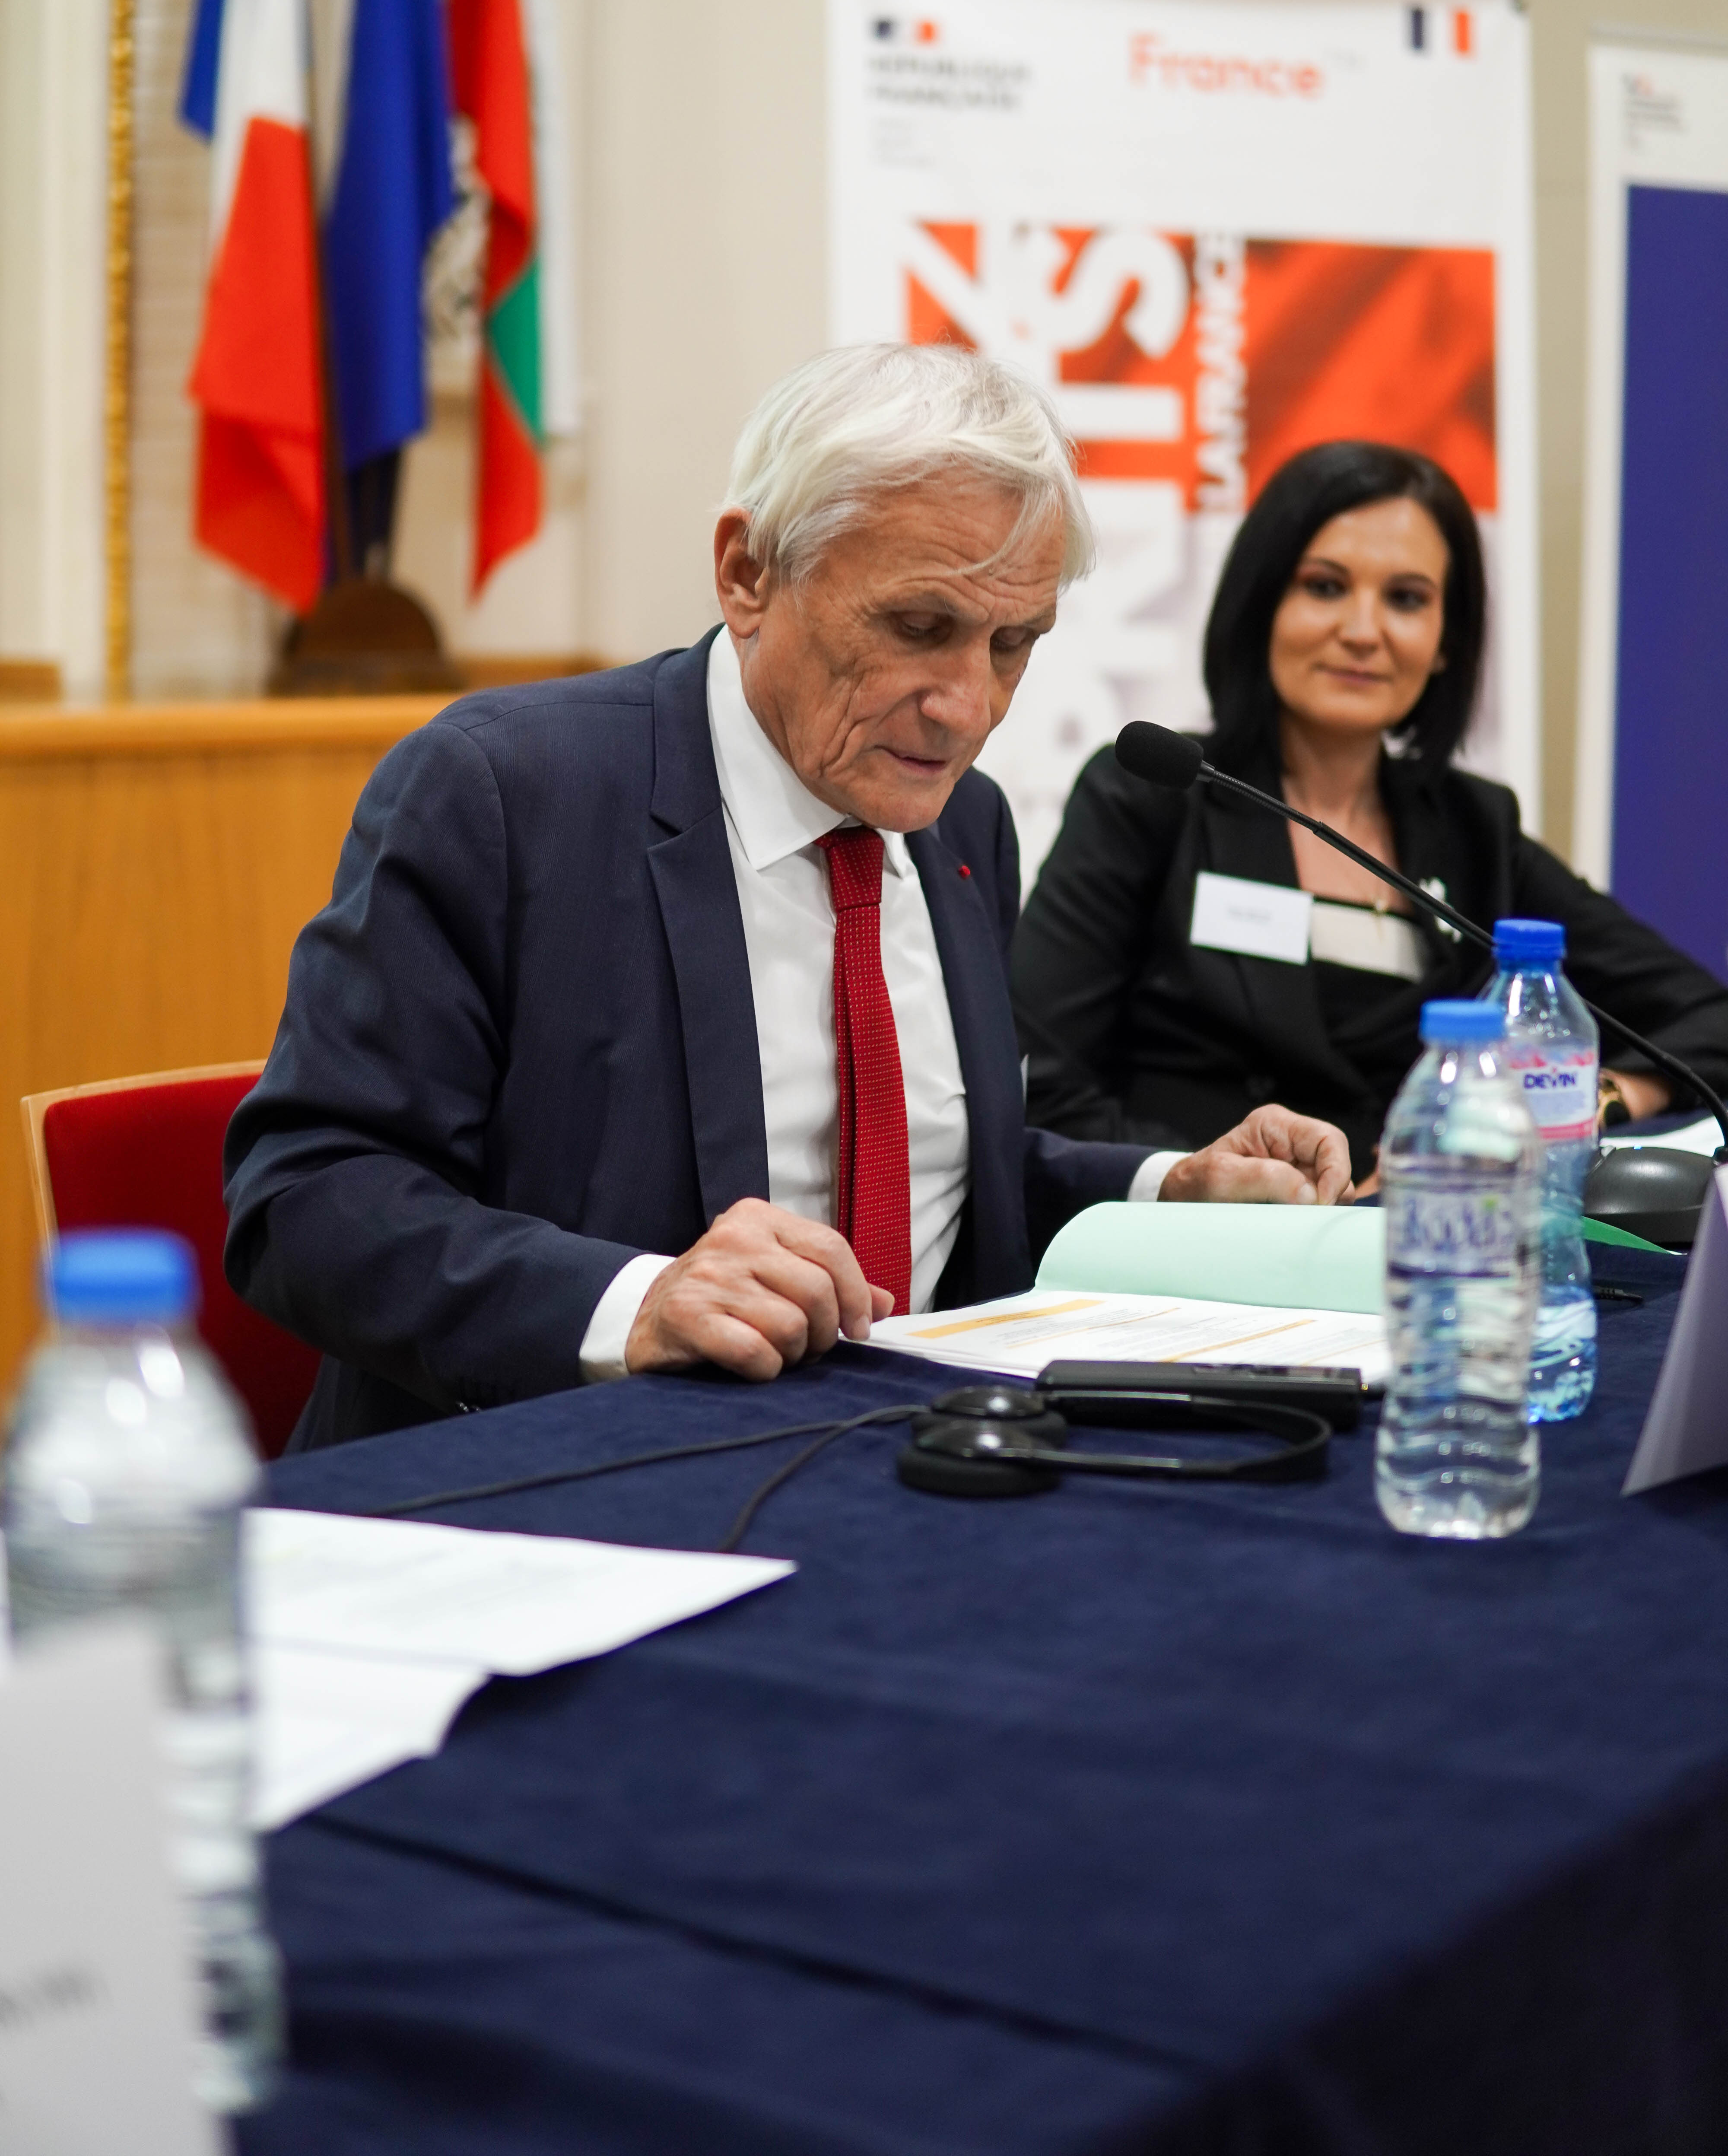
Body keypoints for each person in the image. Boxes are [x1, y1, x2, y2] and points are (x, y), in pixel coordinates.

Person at [226, 344, 1353, 1450]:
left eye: (1013, 645)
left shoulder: (966, 825)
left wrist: (1167, 1188)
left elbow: (938, 1166)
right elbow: (307, 1197)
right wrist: (635, 1306)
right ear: (749, 574)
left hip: (900, 1463)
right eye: (919, 629)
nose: (967, 708)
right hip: (560, 1479)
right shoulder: (504, 794)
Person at [1011, 440, 1728, 1183]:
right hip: (1197, 1237)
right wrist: (1201, 1180)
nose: (1363, 630)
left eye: (1406, 599)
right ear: (1263, 605)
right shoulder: (1153, 798)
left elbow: (1707, 1021)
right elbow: (1038, 1085)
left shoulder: (1476, 830)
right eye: (1325, 587)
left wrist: (1594, 1099)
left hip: (1415, 1235)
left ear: (1446, 641)